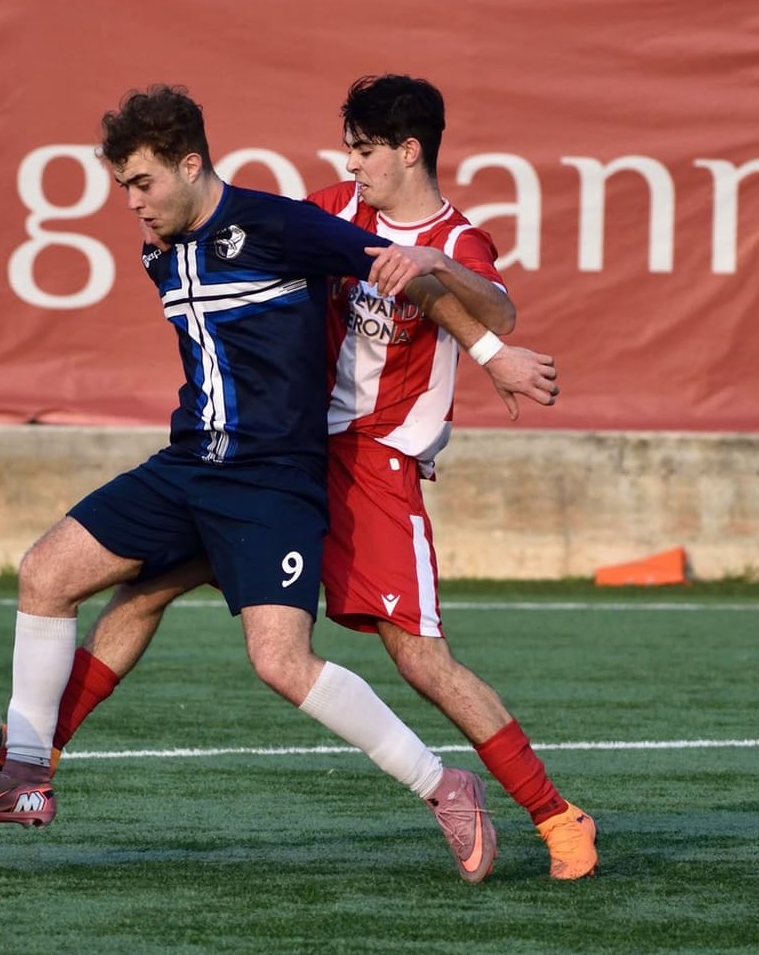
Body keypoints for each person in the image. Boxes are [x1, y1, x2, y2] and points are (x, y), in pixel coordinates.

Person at [0, 84, 520, 881]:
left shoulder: (278, 225)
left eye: (143, 183)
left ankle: (445, 786)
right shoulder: (160, 251)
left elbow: (405, 276)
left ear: (190, 164)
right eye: (123, 188)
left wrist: (493, 356)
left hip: (272, 483)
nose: (133, 204)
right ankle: (25, 780)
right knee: (45, 572)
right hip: (187, 467)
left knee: (280, 662)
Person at [47, 75, 599, 880]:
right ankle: (35, 762)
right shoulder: (333, 210)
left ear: (409, 151)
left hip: (374, 465)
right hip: (278, 459)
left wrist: (449, 286)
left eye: (365, 150)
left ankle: (555, 815)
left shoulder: (459, 238)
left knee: (421, 660)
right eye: (349, 148)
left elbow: (496, 312)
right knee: (145, 590)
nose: (351, 163)